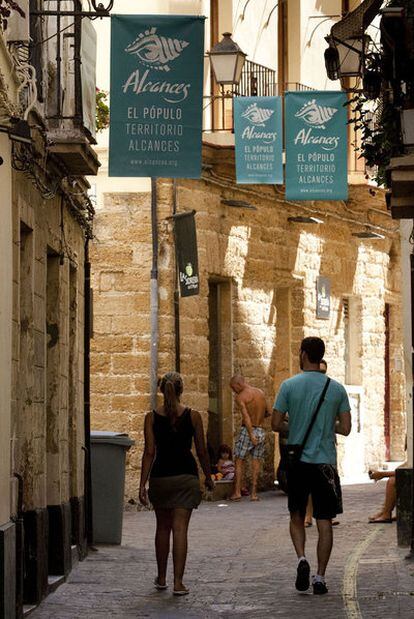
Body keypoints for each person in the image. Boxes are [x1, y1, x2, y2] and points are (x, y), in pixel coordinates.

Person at [272, 337, 351, 595]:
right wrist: (328, 426)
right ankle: (320, 576)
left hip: (298, 463)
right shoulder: (336, 388)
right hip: (325, 463)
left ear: (303, 354)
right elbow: (346, 428)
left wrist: (294, 426)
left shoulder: (289, 385)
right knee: (324, 519)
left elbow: (275, 423)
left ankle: (301, 558)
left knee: (296, 515)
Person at [139, 372, 214, 596]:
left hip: (161, 476)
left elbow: (149, 452)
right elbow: (201, 450)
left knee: (162, 528)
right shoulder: (193, 416)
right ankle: (178, 583)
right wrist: (209, 476)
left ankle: (161, 578)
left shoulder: (150, 418)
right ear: (181, 390)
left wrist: (142, 484)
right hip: (185, 476)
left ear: (162, 390)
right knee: (180, 529)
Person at [229, 375, 270, 501]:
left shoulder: (241, 397)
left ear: (238, 384)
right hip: (261, 430)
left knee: (239, 460)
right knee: (256, 461)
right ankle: (254, 494)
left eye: (233, 388)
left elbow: (246, 417)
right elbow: (268, 412)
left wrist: (251, 434)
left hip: (248, 430)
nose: (233, 391)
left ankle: (237, 492)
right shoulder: (260, 393)